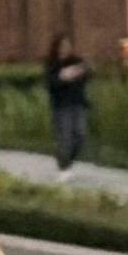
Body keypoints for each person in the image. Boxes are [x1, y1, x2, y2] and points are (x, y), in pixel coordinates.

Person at [44, 33, 93, 172]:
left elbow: (86, 76)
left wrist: (86, 69)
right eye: (63, 46)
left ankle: (67, 160)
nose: (66, 48)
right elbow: (51, 83)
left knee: (81, 135)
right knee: (65, 138)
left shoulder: (76, 61)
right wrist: (63, 77)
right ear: (57, 47)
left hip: (77, 103)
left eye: (68, 45)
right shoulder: (52, 64)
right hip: (61, 106)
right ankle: (63, 166)